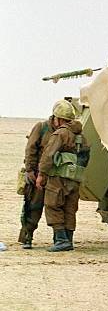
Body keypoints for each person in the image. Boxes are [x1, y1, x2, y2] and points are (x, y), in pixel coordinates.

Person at [36, 100, 88, 252]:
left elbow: (48, 155)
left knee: (53, 205)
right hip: (75, 178)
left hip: (58, 178)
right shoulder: (81, 136)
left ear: (58, 119)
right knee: (70, 208)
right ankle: (68, 240)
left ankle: (61, 239)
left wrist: (42, 174)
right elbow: (86, 157)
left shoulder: (60, 133)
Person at [18, 106, 58, 248]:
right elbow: (31, 149)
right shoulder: (42, 127)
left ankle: (59, 239)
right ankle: (27, 237)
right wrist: (29, 170)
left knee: (56, 207)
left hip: (54, 176)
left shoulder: (63, 132)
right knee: (33, 206)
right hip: (36, 174)